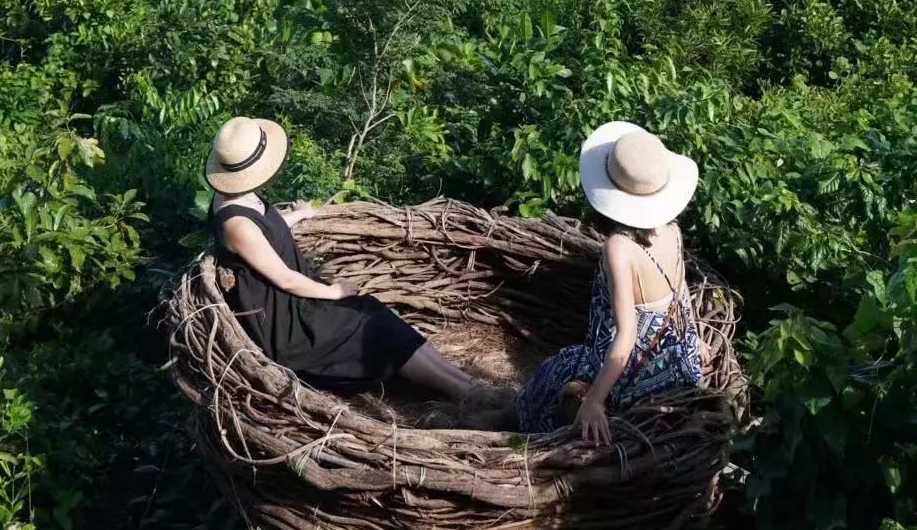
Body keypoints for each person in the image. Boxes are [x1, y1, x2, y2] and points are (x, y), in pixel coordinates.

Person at [207, 116, 487, 401]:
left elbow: (265, 233)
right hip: (287, 326)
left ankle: (468, 384)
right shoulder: (235, 224)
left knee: (372, 313)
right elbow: (285, 279)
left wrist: (297, 216)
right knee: (373, 328)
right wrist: (334, 292)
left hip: (297, 302)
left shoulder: (238, 195)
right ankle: (465, 393)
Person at [516, 121, 705, 445]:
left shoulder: (619, 247)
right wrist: (694, 341)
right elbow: (681, 293)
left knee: (551, 374)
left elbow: (626, 336)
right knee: (562, 368)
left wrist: (594, 401)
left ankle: (522, 433)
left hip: (637, 375)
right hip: (678, 359)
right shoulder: (672, 230)